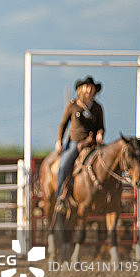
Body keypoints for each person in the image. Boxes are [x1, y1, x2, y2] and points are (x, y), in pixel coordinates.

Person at [54, 75, 105, 208]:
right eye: (87, 87)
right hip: (75, 143)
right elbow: (63, 124)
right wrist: (59, 140)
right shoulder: (73, 105)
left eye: (91, 88)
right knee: (63, 166)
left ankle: (107, 194)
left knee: (107, 162)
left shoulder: (97, 108)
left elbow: (101, 126)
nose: (89, 90)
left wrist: (100, 134)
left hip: (92, 143)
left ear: (94, 90)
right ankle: (60, 195)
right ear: (81, 89)